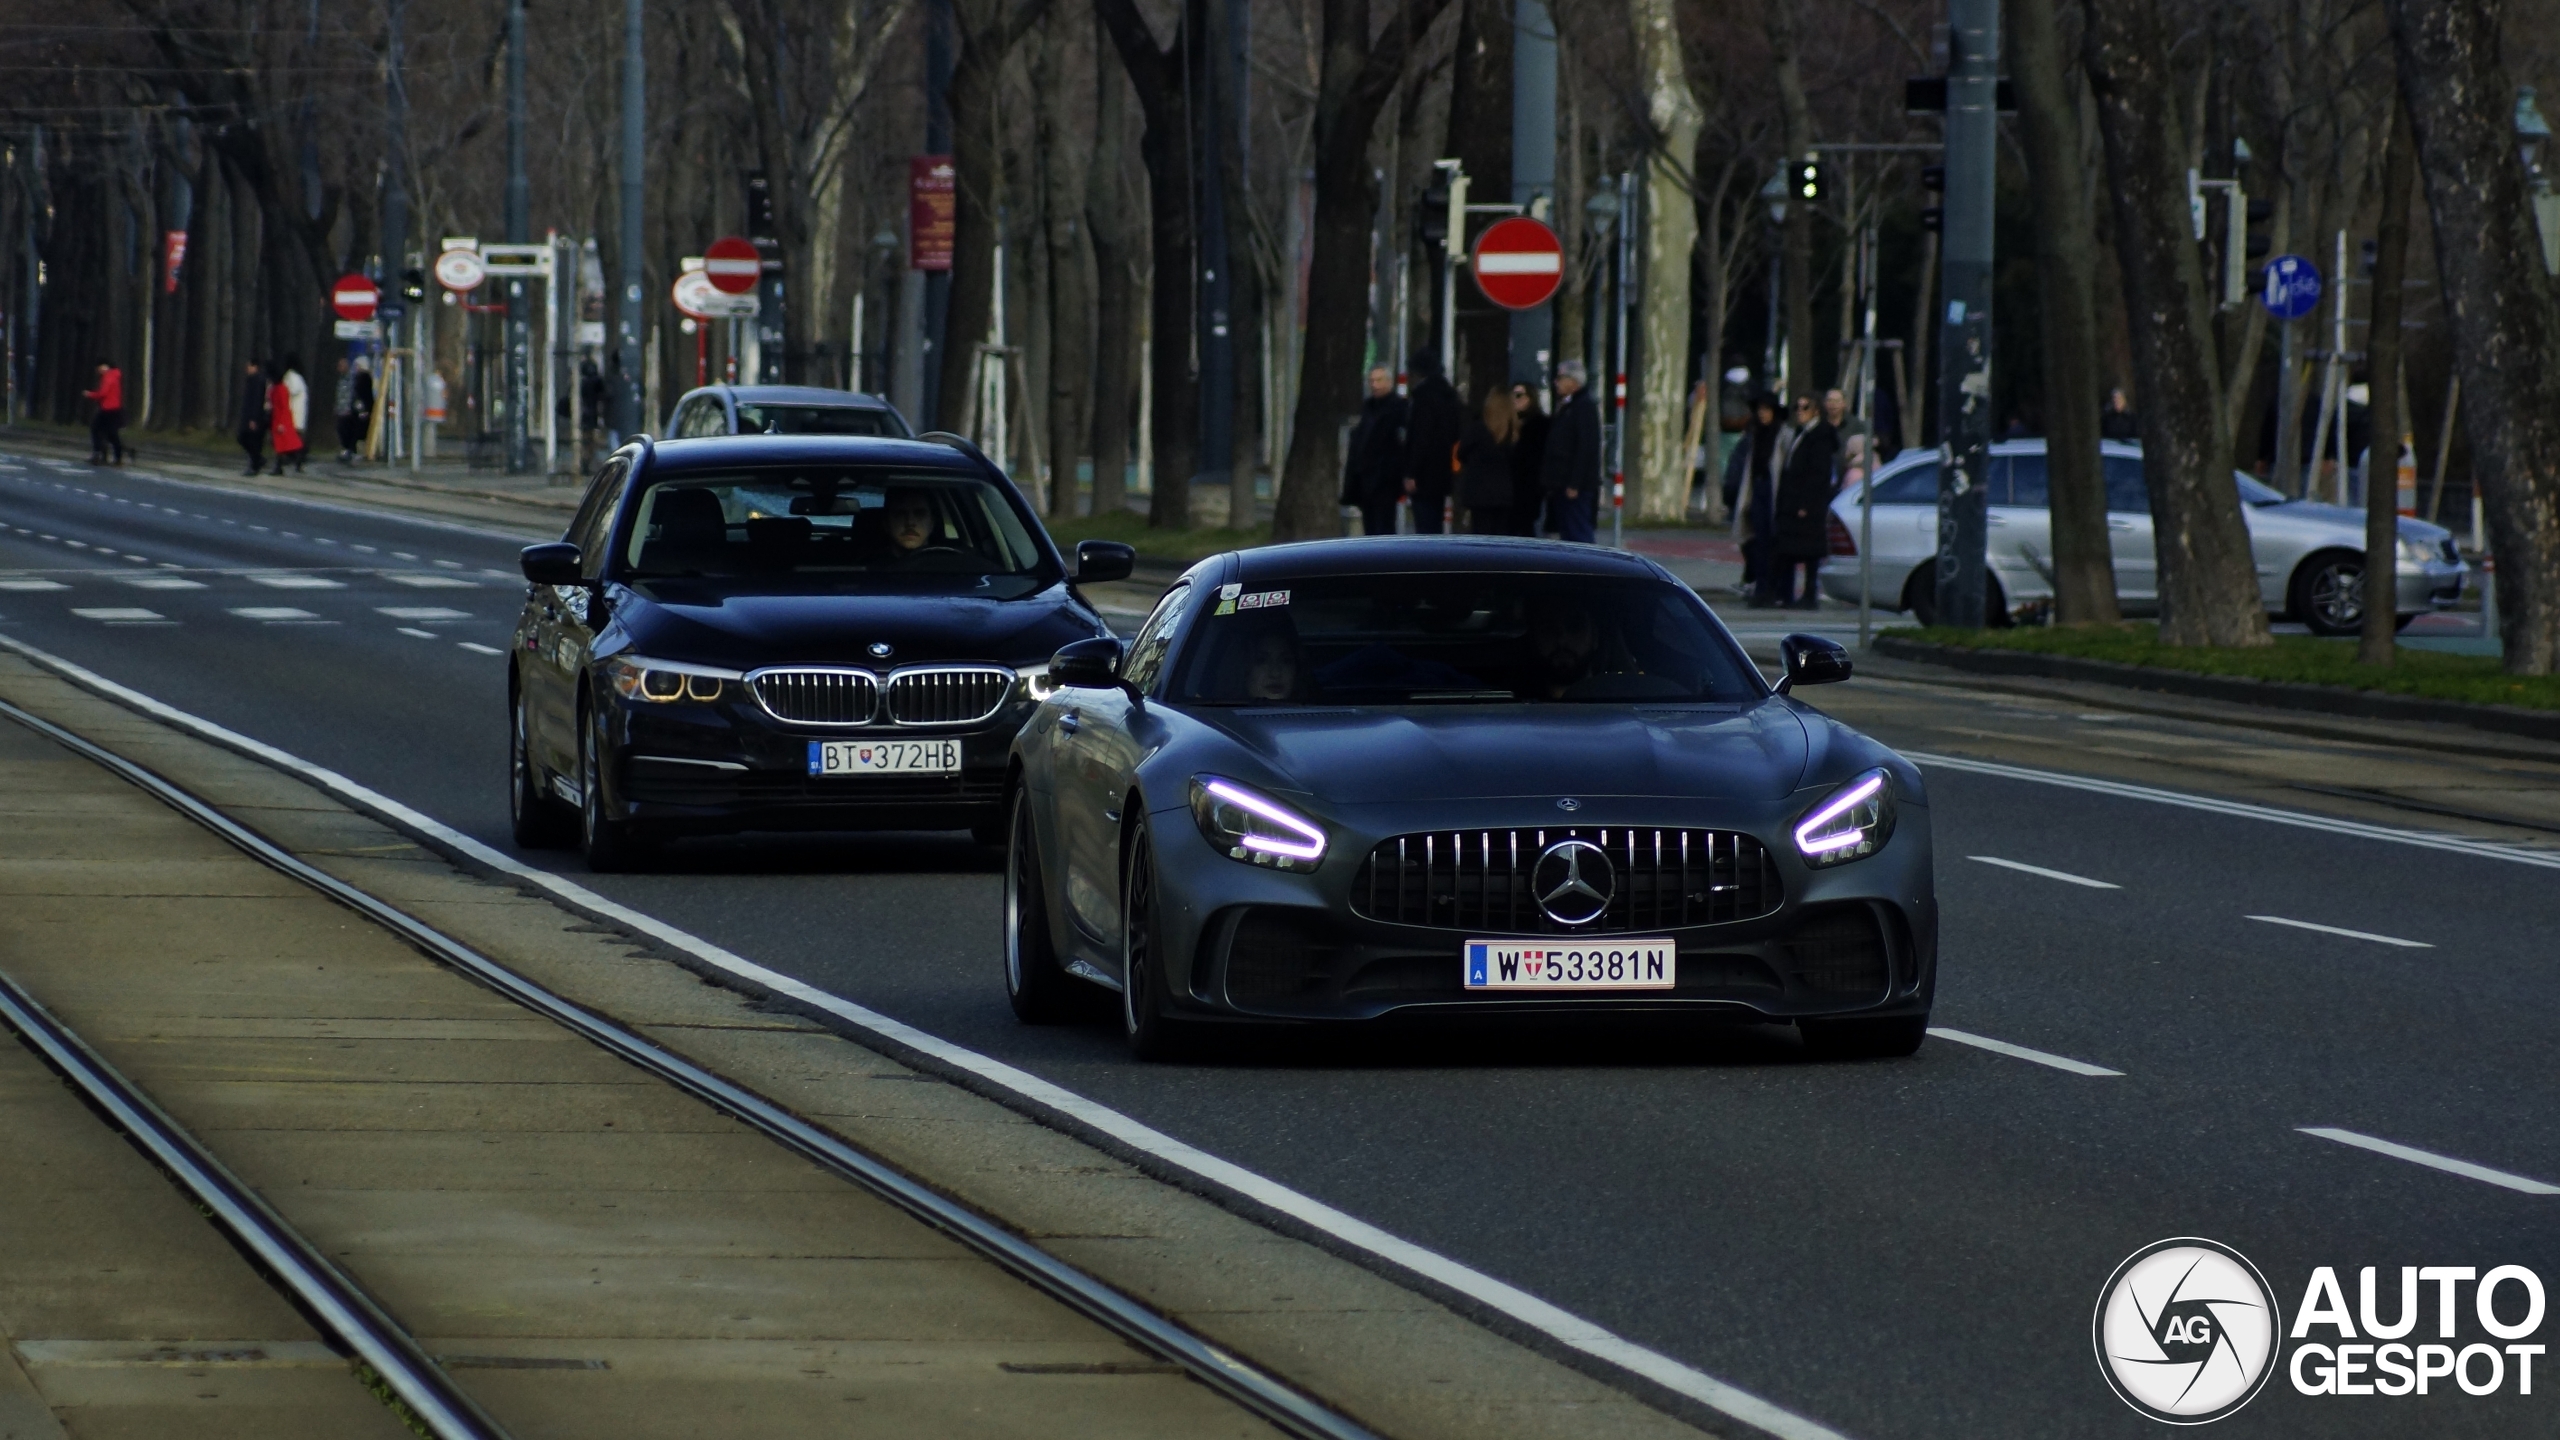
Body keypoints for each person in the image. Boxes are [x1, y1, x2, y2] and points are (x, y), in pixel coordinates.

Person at [1763, 395, 1838, 609]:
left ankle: (1808, 594)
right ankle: (1781, 592)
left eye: (1805, 407)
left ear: (1815, 411)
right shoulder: (1801, 433)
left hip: (1806, 505)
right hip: (1792, 501)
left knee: (1807, 551)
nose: (1799, 411)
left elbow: (1818, 474)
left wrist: (1806, 504)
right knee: (1786, 549)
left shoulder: (1820, 437)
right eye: (1797, 406)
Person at [1726, 392, 1784, 595]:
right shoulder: (1754, 436)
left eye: (1766, 409)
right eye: (1760, 409)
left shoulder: (1781, 435)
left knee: (1771, 540)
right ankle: (1759, 583)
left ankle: (1770, 584)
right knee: (1755, 539)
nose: (1762, 414)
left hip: (1772, 490)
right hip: (1757, 489)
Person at [1400, 350, 1462, 535]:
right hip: (1442, 471)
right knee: (1436, 520)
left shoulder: (1423, 398)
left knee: (1425, 524)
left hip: (1424, 475)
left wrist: (1412, 472)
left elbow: (1421, 438)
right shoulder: (1448, 396)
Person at [1343, 366, 1408, 538]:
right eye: (1372, 381)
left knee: (1384, 527)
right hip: (1366, 479)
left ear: (1389, 382)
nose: (1374, 385)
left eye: (1379, 380)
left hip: (1385, 479)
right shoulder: (1369, 407)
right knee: (1370, 527)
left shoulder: (1398, 407)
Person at [1542, 359, 1601, 543]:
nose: (1556, 382)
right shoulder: (1570, 406)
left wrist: (1575, 483)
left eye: (1560, 378)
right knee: (1568, 533)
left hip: (1574, 486)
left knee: (1578, 532)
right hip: (1562, 483)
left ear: (1573, 381)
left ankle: (1588, 569)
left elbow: (1586, 447)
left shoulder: (1583, 407)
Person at [1455, 386, 1516, 535]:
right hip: (1505, 494)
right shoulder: (1513, 434)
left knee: (1481, 534)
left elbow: (1461, 453)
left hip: (1479, 494)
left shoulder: (1478, 430)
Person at [1507, 382, 1548, 536]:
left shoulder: (1540, 425)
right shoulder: (1507, 424)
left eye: (1519, 395)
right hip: (1511, 488)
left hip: (1530, 486)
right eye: (1512, 396)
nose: (1514, 400)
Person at [267, 361, 307, 475]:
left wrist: (281, 423)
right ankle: (294, 462)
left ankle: (280, 466)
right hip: (277, 419)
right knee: (286, 444)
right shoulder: (276, 388)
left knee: (284, 444)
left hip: (282, 420)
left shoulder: (281, 389)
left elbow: (284, 407)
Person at [81, 360, 125, 464]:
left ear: (105, 366)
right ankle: (115, 457)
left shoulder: (108, 377)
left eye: (99, 368)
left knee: (97, 430)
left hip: (108, 409)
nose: (98, 371)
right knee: (110, 434)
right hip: (114, 408)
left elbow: (103, 393)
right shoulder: (114, 375)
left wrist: (90, 394)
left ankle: (99, 455)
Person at [235, 360, 269, 475]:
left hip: (254, 416)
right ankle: (256, 461)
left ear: (255, 367)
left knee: (246, 438)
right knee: (246, 438)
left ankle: (256, 462)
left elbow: (257, 401)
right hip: (249, 415)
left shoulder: (258, 381)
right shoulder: (252, 380)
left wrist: (254, 418)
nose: (247, 368)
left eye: (249, 366)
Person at [578, 358, 608, 471]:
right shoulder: (597, 381)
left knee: (586, 439)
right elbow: (602, 396)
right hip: (592, 413)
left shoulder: (582, 382)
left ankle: (585, 461)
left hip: (585, 413)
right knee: (590, 440)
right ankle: (587, 461)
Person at [333, 357, 361, 462]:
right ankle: (346, 450)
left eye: (341, 366)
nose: (338, 368)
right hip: (341, 409)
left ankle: (351, 451)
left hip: (348, 410)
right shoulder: (341, 379)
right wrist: (336, 407)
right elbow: (339, 394)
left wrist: (350, 407)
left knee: (348, 431)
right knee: (341, 430)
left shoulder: (351, 379)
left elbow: (351, 394)